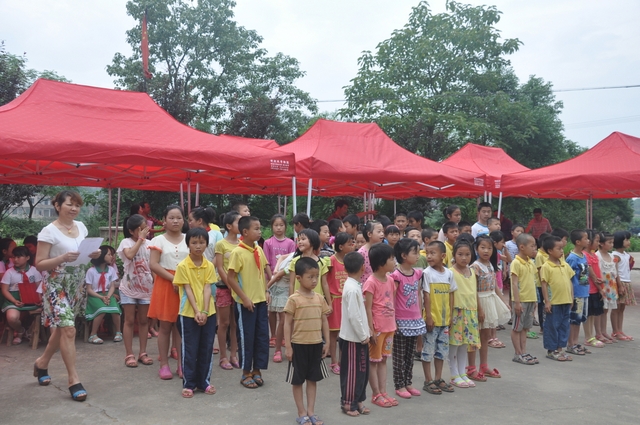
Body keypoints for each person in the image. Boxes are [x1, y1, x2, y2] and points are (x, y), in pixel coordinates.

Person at [33, 190, 101, 401]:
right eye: (69, 204)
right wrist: (62, 258)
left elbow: (83, 253)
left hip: (76, 283)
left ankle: (42, 363)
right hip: (56, 283)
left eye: (77, 205)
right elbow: (39, 264)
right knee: (69, 329)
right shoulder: (48, 231)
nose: (74, 209)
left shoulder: (81, 226)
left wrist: (94, 254)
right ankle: (73, 379)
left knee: (64, 327)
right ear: (57, 206)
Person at [226, 216, 273, 389]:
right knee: (246, 337)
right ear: (245, 232)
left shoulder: (258, 249)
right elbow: (231, 278)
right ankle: (246, 372)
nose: (260, 232)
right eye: (256, 228)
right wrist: (244, 298)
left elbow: (263, 273)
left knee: (262, 336)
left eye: (260, 228)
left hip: (260, 301)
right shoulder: (237, 252)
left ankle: (257, 370)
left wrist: (267, 291)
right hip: (246, 303)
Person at [284, 257, 331, 425]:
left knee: (313, 379)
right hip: (298, 345)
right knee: (297, 380)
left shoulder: (319, 298)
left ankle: (311, 411)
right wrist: (288, 346)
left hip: (316, 344)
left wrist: (327, 342)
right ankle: (301, 412)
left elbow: (324, 321)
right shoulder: (293, 299)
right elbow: (287, 323)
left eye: (316, 276)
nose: (314, 280)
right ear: (298, 278)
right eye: (310, 277)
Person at [173, 227, 217, 398]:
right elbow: (188, 290)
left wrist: (204, 311)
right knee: (190, 349)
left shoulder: (209, 265)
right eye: (194, 243)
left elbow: (207, 288)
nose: (198, 246)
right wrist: (197, 311)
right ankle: (189, 384)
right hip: (188, 313)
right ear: (188, 244)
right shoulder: (183, 266)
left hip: (209, 312)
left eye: (201, 242)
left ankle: (204, 381)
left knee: (206, 348)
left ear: (206, 244)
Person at [148, 205, 188, 380]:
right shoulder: (158, 240)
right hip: (166, 283)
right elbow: (153, 264)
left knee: (181, 326)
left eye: (179, 217)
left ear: (183, 220)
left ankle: (181, 364)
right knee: (165, 326)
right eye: (171, 218)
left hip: (186, 285)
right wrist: (174, 279)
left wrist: (183, 281)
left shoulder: (189, 238)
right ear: (164, 221)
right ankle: (164, 364)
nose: (175, 221)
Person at [467, 235, 510, 381]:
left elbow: (495, 285)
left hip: (490, 299)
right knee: (475, 336)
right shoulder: (475, 267)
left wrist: (503, 301)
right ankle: (471, 368)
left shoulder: (491, 265)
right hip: (480, 301)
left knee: (486, 336)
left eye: (489, 248)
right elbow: (473, 290)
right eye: (483, 247)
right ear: (476, 249)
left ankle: (484, 365)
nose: (486, 251)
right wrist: (479, 309)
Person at [117, 214, 154, 368]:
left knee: (144, 321)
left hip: (146, 287)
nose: (145, 231)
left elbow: (154, 266)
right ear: (132, 231)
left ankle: (143, 353)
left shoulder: (151, 244)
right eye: (141, 229)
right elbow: (130, 255)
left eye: (145, 228)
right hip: (129, 287)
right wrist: (140, 239)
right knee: (129, 320)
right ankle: (129, 354)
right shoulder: (126, 242)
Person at [390, 238, 425, 399]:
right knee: (399, 355)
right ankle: (399, 384)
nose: (418, 255)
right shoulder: (396, 276)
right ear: (403, 255)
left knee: (410, 354)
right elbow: (392, 298)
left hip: (415, 319)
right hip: (400, 320)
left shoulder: (417, 273)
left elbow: (418, 294)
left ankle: (408, 382)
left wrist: (420, 313)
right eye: (414, 252)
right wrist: (393, 320)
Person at [363, 243, 397, 408]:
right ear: (382, 263)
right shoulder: (370, 282)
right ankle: (376, 393)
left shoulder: (390, 280)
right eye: (391, 259)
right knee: (374, 361)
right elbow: (367, 308)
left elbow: (392, 303)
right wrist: (370, 330)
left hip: (390, 327)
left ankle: (383, 392)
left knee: (383, 360)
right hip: (377, 329)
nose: (394, 262)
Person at [421, 241, 456, 395]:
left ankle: (438, 378)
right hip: (432, 320)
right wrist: (428, 316)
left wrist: (451, 315)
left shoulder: (449, 274)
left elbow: (451, 294)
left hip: (445, 320)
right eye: (427, 253)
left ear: (443, 256)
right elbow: (426, 296)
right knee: (428, 351)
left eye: (432, 253)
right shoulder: (427, 273)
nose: (429, 256)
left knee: (442, 351)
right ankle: (428, 380)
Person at [339, 251, 371, 417]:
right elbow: (353, 316)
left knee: (362, 371)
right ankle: (348, 403)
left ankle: (358, 400)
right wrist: (363, 335)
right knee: (352, 372)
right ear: (363, 267)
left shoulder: (355, 285)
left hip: (360, 337)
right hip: (353, 338)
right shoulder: (352, 288)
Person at [449, 240, 480, 388]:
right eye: (460, 254)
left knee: (464, 345)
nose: (464, 258)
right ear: (454, 255)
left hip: (470, 312)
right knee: (454, 344)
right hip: (457, 311)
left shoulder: (472, 272)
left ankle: (462, 373)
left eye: (467, 254)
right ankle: (454, 374)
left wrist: (479, 310)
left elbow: (475, 292)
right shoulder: (450, 272)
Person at [263, 214, 296, 355]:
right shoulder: (268, 242)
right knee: (271, 310)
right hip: (270, 279)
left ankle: (281, 336)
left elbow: (291, 260)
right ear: (272, 227)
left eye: (281, 225)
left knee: (283, 311)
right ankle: (273, 335)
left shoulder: (290, 243)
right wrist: (270, 277)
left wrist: (279, 275)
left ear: (286, 227)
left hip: (284, 280)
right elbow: (266, 262)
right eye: (276, 225)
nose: (278, 228)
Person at [214, 211, 242, 370]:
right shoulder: (221, 244)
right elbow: (220, 267)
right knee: (224, 323)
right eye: (239, 222)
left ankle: (233, 355)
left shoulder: (242, 243)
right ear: (229, 226)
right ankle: (223, 357)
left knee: (235, 323)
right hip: (224, 287)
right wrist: (230, 285)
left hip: (239, 288)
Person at [540, 236, 574, 361]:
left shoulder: (564, 265)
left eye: (562, 248)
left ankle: (560, 349)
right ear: (550, 251)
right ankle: (551, 350)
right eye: (558, 249)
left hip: (566, 301)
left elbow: (570, 282)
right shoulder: (546, 266)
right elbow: (544, 285)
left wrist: (571, 297)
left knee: (564, 326)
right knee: (552, 326)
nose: (561, 251)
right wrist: (547, 301)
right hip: (554, 302)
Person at [326, 232, 355, 374]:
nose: (353, 245)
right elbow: (325, 282)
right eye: (350, 243)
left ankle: (342, 361)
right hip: (335, 299)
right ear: (341, 246)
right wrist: (328, 302)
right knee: (334, 333)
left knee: (345, 333)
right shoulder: (331, 260)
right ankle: (333, 362)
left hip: (347, 300)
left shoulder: (351, 261)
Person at [1, 246, 43, 344]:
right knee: (12, 318)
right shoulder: (9, 272)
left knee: (44, 311)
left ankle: (30, 331)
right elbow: (4, 290)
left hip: (32, 300)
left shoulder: (34, 270)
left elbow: (39, 288)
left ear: (27, 257)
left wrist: (39, 299)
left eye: (19, 257)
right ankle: (21, 331)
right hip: (14, 300)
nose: (15, 259)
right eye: (14, 257)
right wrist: (14, 301)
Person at [509, 233, 539, 365]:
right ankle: (518, 353)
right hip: (521, 301)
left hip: (530, 300)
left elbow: (533, 282)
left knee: (525, 328)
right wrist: (517, 302)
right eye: (532, 246)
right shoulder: (516, 263)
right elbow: (514, 284)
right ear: (522, 247)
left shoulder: (531, 262)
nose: (534, 249)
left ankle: (523, 352)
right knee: (517, 328)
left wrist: (535, 300)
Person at [85, 245, 122, 344]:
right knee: (101, 310)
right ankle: (93, 334)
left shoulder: (111, 270)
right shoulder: (91, 271)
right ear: (102, 256)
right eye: (109, 254)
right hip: (95, 295)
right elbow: (89, 289)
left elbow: (112, 286)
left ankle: (118, 332)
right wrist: (101, 297)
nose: (111, 257)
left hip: (108, 294)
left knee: (115, 310)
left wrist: (108, 296)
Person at [565, 230, 591, 355]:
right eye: (585, 238)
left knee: (580, 319)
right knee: (573, 319)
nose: (588, 241)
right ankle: (571, 344)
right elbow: (568, 276)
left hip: (584, 292)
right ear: (578, 242)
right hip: (576, 293)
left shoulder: (583, 255)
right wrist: (570, 294)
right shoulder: (572, 258)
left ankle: (575, 342)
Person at [583, 230, 606, 348]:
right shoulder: (585, 255)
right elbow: (592, 275)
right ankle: (588, 337)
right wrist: (600, 288)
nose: (598, 243)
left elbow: (598, 272)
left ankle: (591, 335)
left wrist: (601, 286)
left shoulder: (593, 254)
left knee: (592, 314)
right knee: (588, 314)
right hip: (589, 288)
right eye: (596, 240)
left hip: (595, 288)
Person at [612, 231, 635, 341]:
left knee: (622, 308)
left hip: (627, 282)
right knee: (616, 308)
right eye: (626, 240)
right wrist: (620, 286)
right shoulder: (615, 256)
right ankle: (615, 331)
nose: (628, 242)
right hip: (619, 283)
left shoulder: (626, 255)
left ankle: (620, 330)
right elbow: (615, 271)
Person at [596, 232, 619, 344]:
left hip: (611, 286)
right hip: (603, 286)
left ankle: (604, 331)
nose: (612, 245)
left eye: (612, 242)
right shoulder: (597, 256)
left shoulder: (611, 256)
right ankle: (599, 332)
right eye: (609, 242)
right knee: (602, 309)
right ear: (601, 243)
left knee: (606, 310)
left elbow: (615, 272)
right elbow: (597, 272)